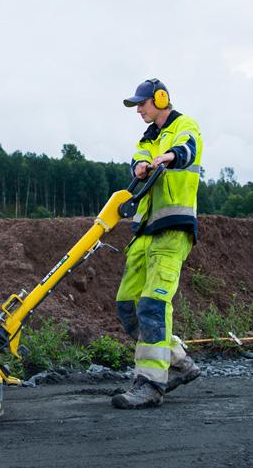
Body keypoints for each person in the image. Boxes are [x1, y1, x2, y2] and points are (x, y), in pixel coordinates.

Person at [112, 79, 202, 409]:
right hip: (144, 231)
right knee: (128, 306)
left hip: (173, 230)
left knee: (153, 305)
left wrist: (171, 156)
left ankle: (149, 384)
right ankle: (179, 362)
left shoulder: (184, 126)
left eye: (143, 103)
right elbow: (139, 159)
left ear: (161, 99)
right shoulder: (147, 139)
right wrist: (139, 166)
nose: (138, 109)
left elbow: (188, 149)